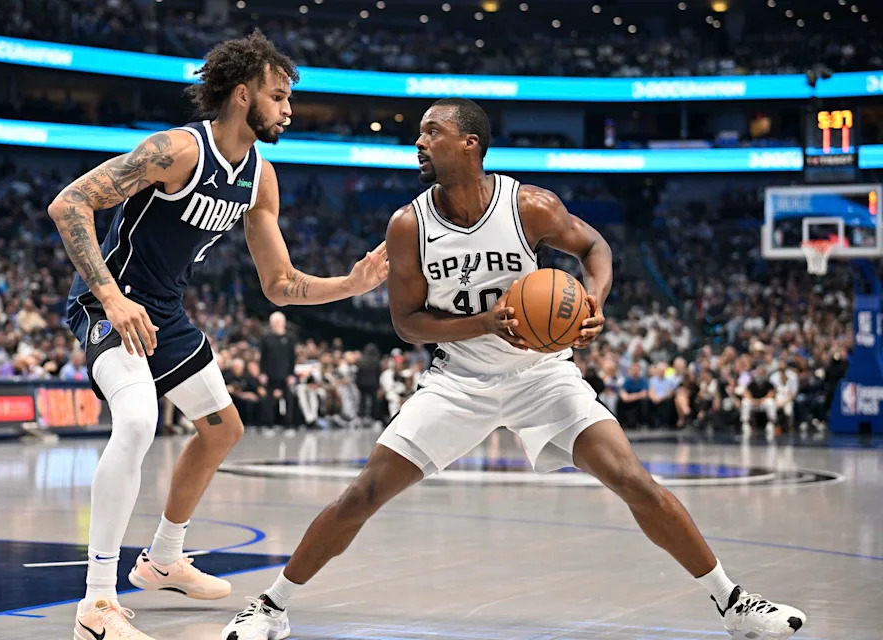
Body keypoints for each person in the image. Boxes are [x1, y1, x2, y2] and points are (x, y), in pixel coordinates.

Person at [222, 99, 805, 640]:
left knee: (633, 480)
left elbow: (596, 248)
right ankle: (271, 607)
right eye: (420, 133)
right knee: (364, 493)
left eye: (432, 132)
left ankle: (735, 606)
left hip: (542, 376)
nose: (418, 142)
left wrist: (594, 299)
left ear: (470, 144)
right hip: (458, 381)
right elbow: (407, 324)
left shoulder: (529, 206)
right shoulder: (408, 225)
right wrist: (484, 324)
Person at [49, 31, 388, 640]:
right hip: (108, 303)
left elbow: (279, 284)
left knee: (222, 428)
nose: (289, 110)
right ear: (242, 95)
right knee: (137, 422)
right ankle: (97, 602)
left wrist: (351, 284)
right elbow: (70, 204)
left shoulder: (260, 177)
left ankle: (162, 559)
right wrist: (112, 298)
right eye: (279, 96)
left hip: (164, 313)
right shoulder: (177, 149)